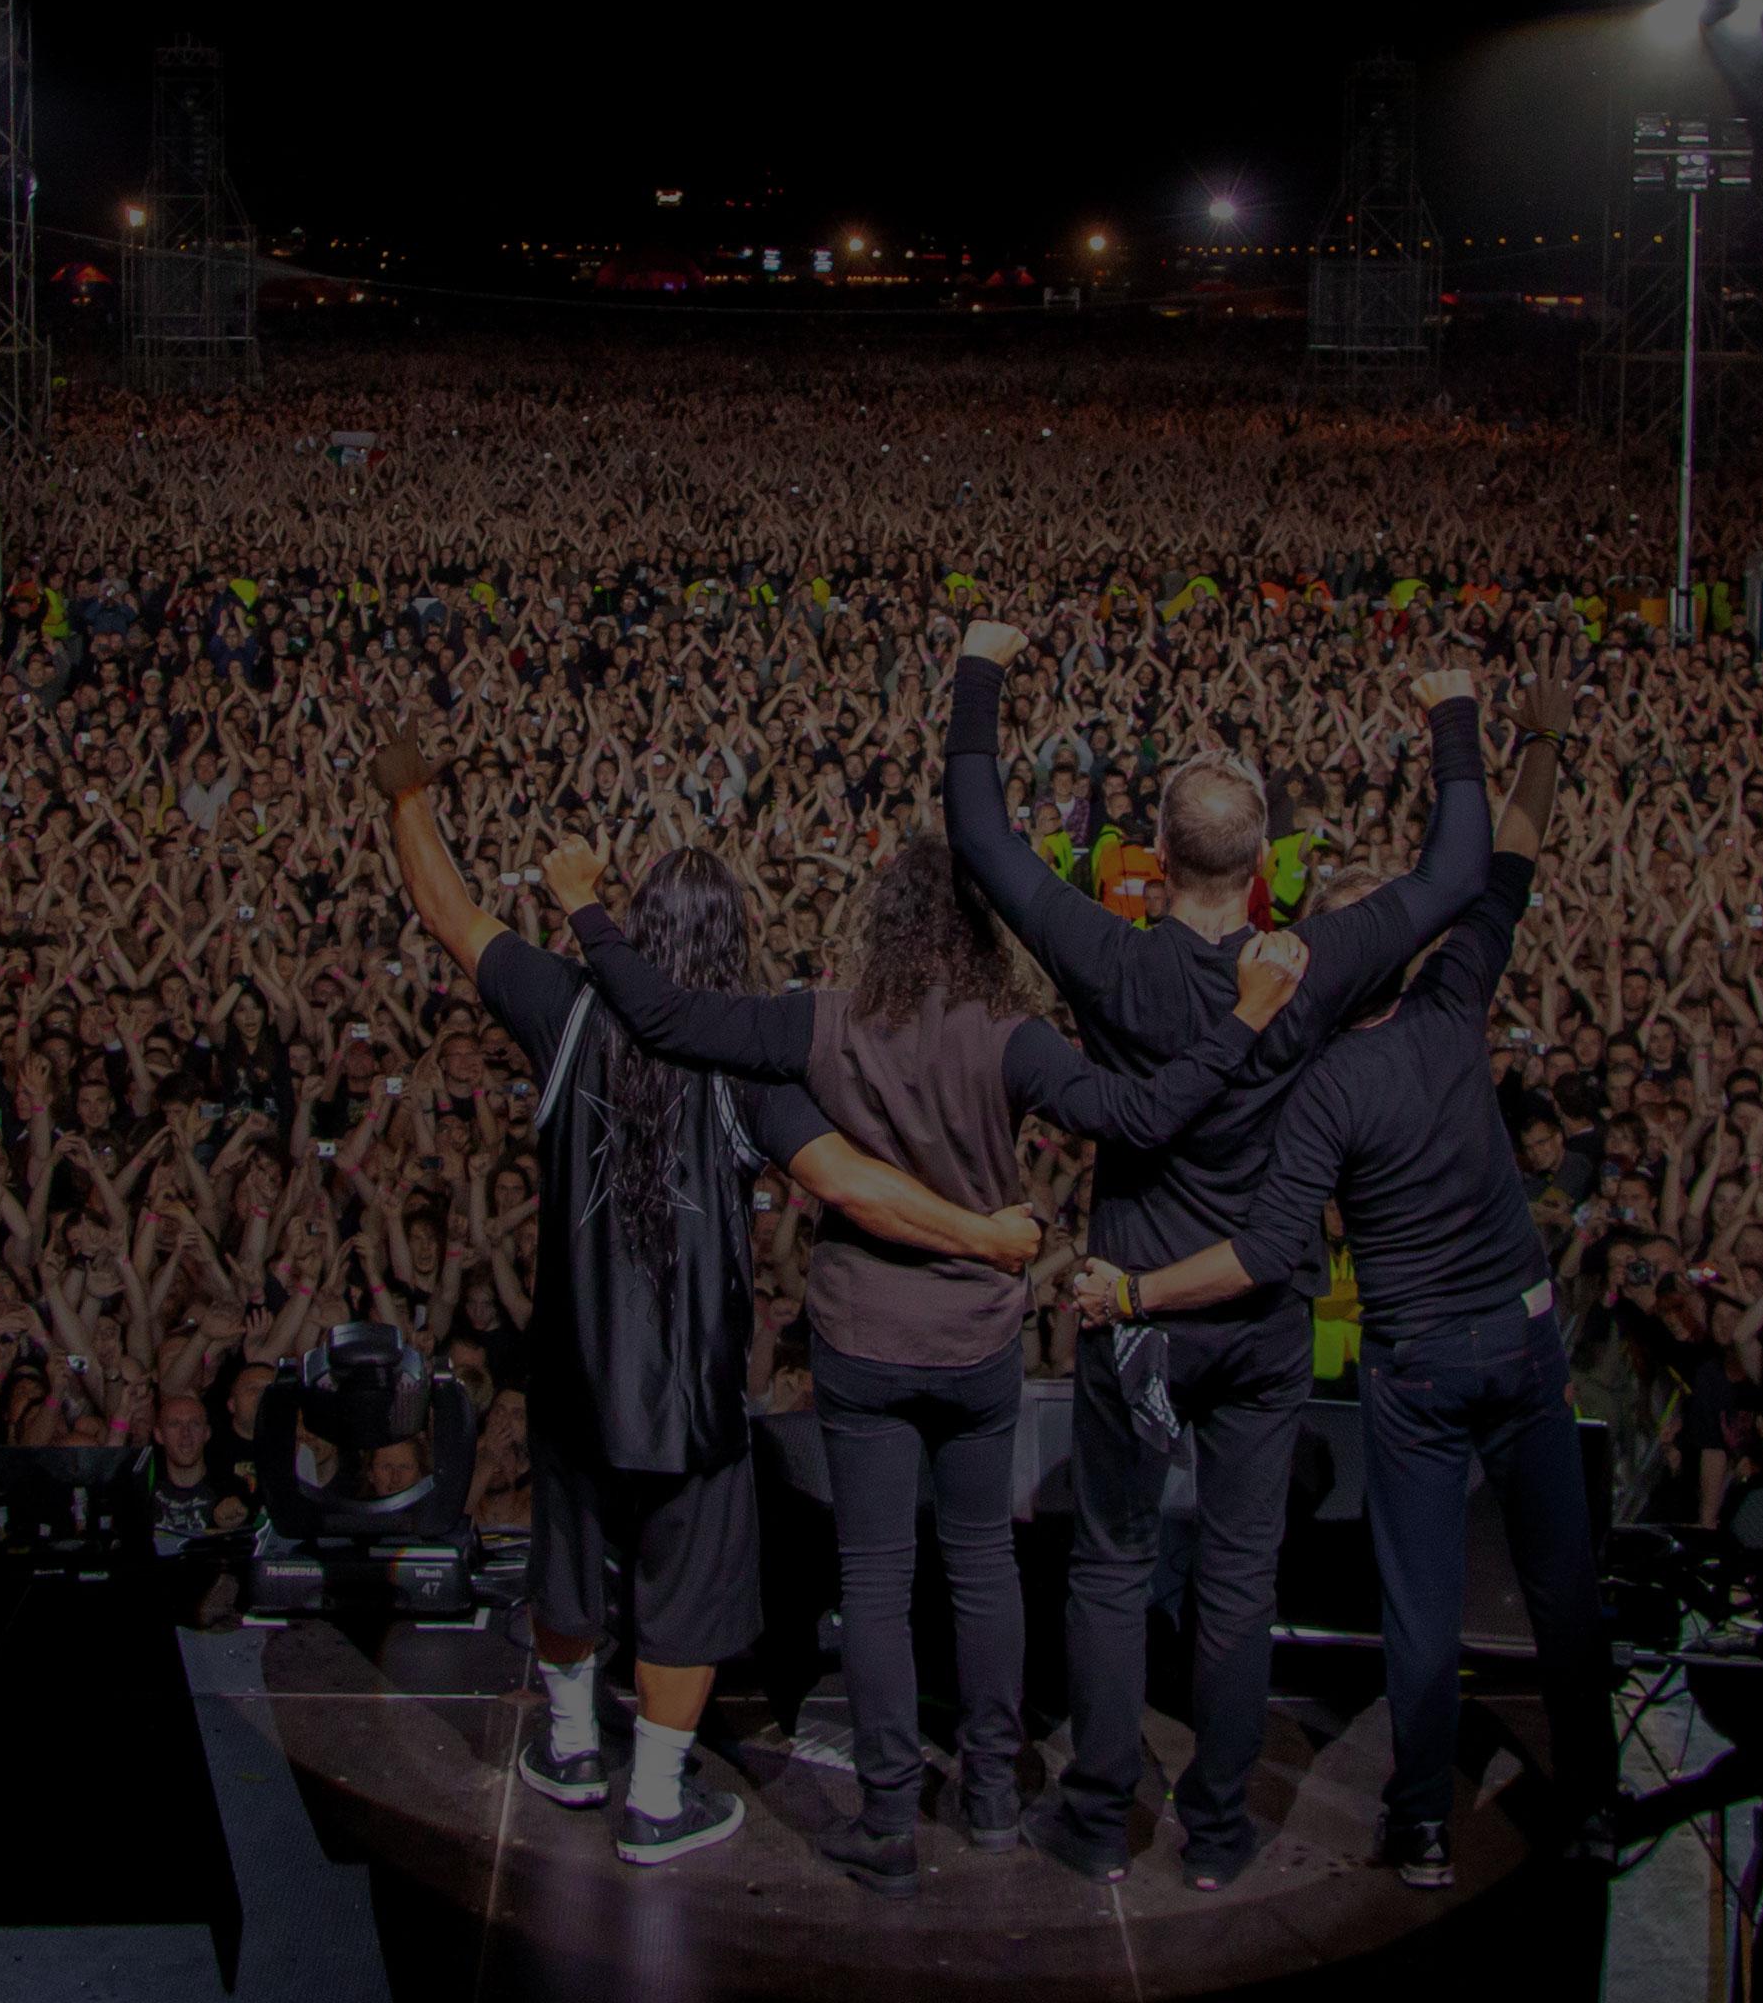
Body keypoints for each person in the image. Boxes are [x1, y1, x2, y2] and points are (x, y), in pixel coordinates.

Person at [540, 829, 1307, 1894]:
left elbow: (664, 1015)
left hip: (863, 1335)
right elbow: (1147, 1112)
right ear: (985, 928)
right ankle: (992, 1796)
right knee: (982, 1561)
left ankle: (889, 1819)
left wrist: (589, 914)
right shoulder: (1015, 1036)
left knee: (877, 1582)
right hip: (978, 1337)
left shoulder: (823, 1018)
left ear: (882, 921)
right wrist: (1246, 1020)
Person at [371, 733, 1040, 1869]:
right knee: (684, 1584)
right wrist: (980, 1231)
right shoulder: (745, 1057)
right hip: (690, 1382)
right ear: (733, 944)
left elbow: (450, 914)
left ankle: (572, 1746)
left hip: (575, 1368)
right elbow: (845, 1185)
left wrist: (407, 801)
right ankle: (655, 1800)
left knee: (570, 1558)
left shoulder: (565, 1008)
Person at [945, 621, 1494, 1891]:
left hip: (1135, 1304)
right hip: (1262, 1307)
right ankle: (1221, 1833)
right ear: (1260, 872)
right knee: (1241, 1576)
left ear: (1155, 858)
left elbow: (981, 835)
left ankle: (1095, 1818)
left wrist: (982, 667)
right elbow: (1459, 866)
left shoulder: (1111, 958)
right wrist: (1451, 710)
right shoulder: (1311, 961)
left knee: (1115, 1559)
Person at [1070, 678, 1615, 1886]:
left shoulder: (1316, 1087)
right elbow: (1498, 865)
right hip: (1526, 1340)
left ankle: (1419, 1827)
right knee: (1563, 1590)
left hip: (1418, 1357)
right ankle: (1598, 1805)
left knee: (1420, 1612)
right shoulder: (1456, 1000)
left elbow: (1266, 1252)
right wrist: (1533, 741)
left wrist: (1137, 1295)